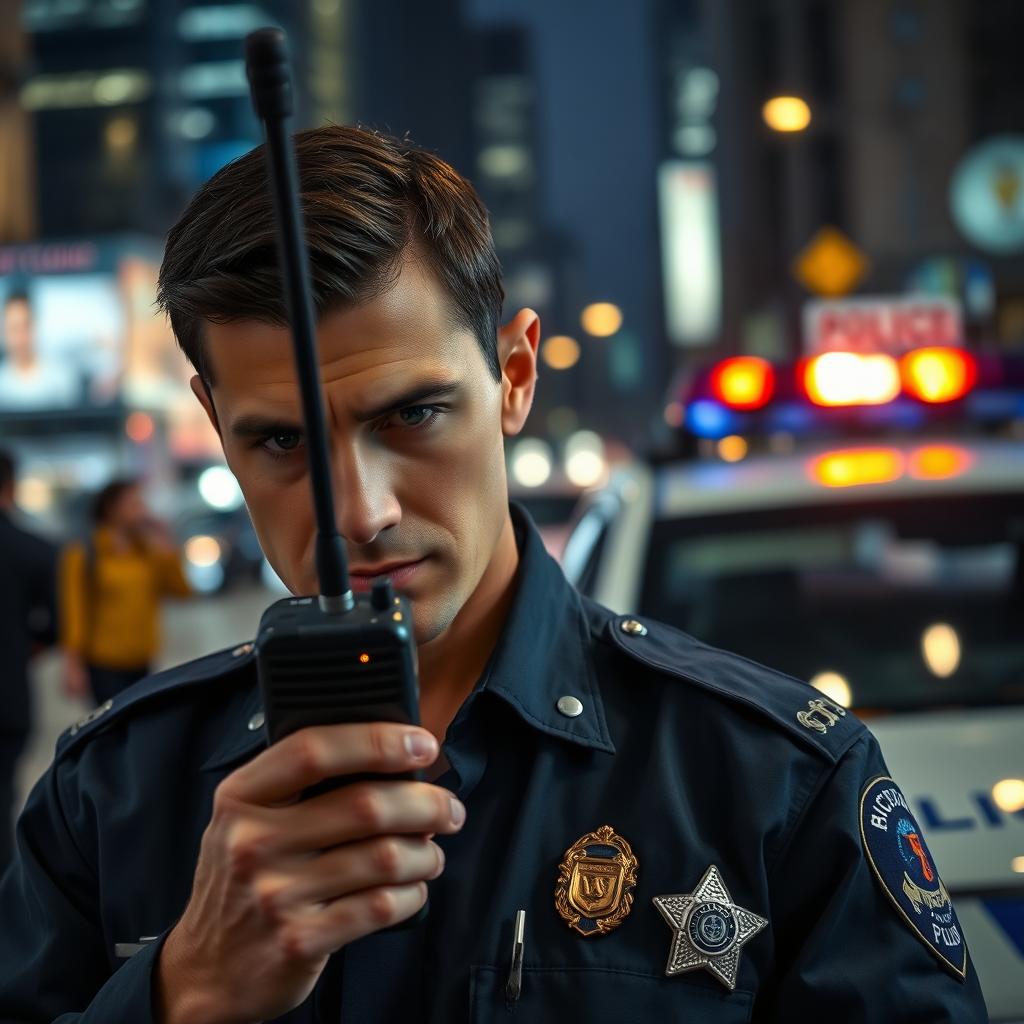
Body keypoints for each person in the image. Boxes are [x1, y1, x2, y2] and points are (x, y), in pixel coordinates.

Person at [0, 127, 988, 1022]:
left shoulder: (772, 782)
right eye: (281, 441)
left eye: (411, 415)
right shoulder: (108, 801)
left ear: (514, 376)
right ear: (215, 426)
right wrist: (179, 994)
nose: (358, 511)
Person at [59, 479, 193, 707]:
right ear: (112, 509)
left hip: (142, 659)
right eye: (134, 503)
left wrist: (166, 544)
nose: (142, 509)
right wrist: (73, 665)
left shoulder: (146, 551)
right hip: (104, 664)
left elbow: (183, 592)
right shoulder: (84, 552)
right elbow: (74, 612)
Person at [0, 448, 57, 875]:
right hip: (7, 693)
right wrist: (25, 648)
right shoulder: (33, 549)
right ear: (11, 485)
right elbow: (57, 622)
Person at [0, 289, 79, 410]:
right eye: (14, 328)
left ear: (35, 325)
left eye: (25, 326)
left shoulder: (61, 377)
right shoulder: (2, 382)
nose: (21, 337)